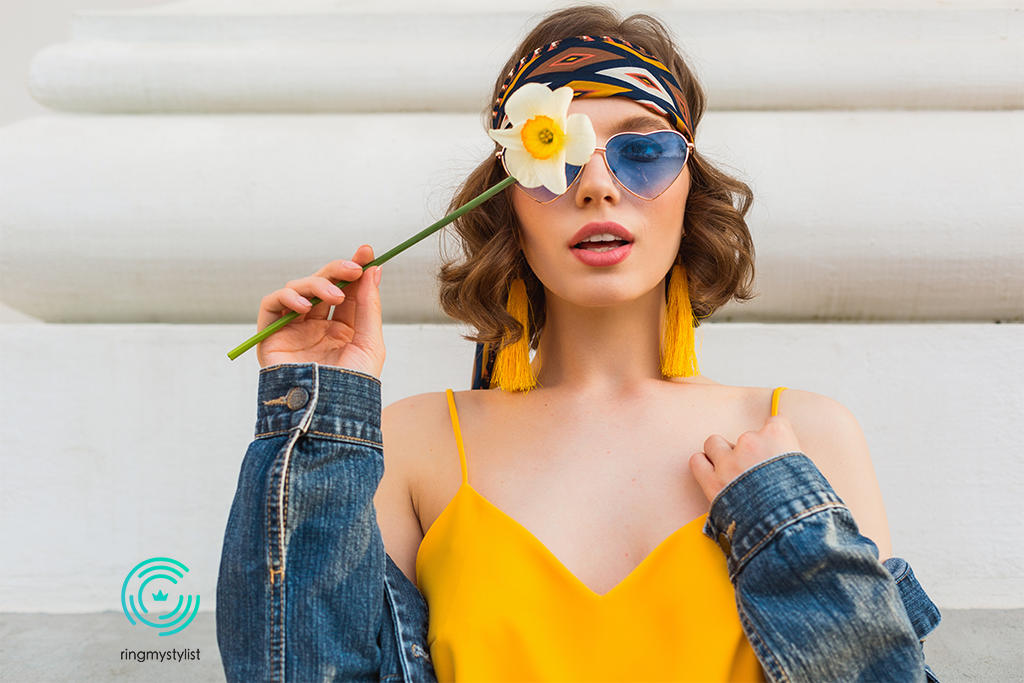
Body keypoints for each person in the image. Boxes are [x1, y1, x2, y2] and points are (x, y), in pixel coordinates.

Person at [216, 5, 941, 682]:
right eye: (556, 154)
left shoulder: (804, 437)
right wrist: (314, 418)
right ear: (507, 202)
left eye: (644, 151)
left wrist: (786, 525)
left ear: (690, 191)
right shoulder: (411, 443)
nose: (597, 184)